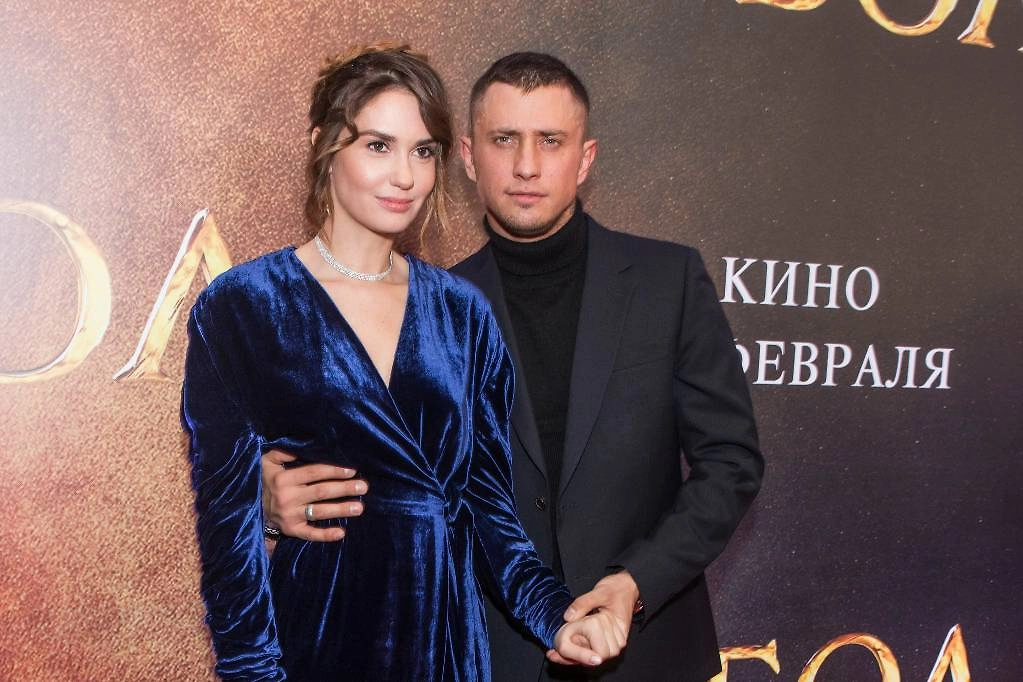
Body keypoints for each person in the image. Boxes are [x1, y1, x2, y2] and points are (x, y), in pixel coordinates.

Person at [262, 52, 764, 681]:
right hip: (487, 657)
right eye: (504, 139)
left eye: (550, 140)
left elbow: (731, 461)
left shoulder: (670, 280)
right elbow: (385, 486)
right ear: (468, 158)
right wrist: (268, 499)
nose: (527, 165)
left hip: (648, 651)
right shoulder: (426, 307)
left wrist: (636, 582)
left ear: (585, 157)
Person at [182, 45, 626, 681]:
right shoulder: (242, 306)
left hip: (445, 646)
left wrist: (557, 617)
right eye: (378, 146)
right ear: (322, 144)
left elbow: (491, 516)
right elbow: (227, 537)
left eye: (422, 151)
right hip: (317, 640)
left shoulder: (463, 314)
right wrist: (252, 673)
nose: (405, 177)